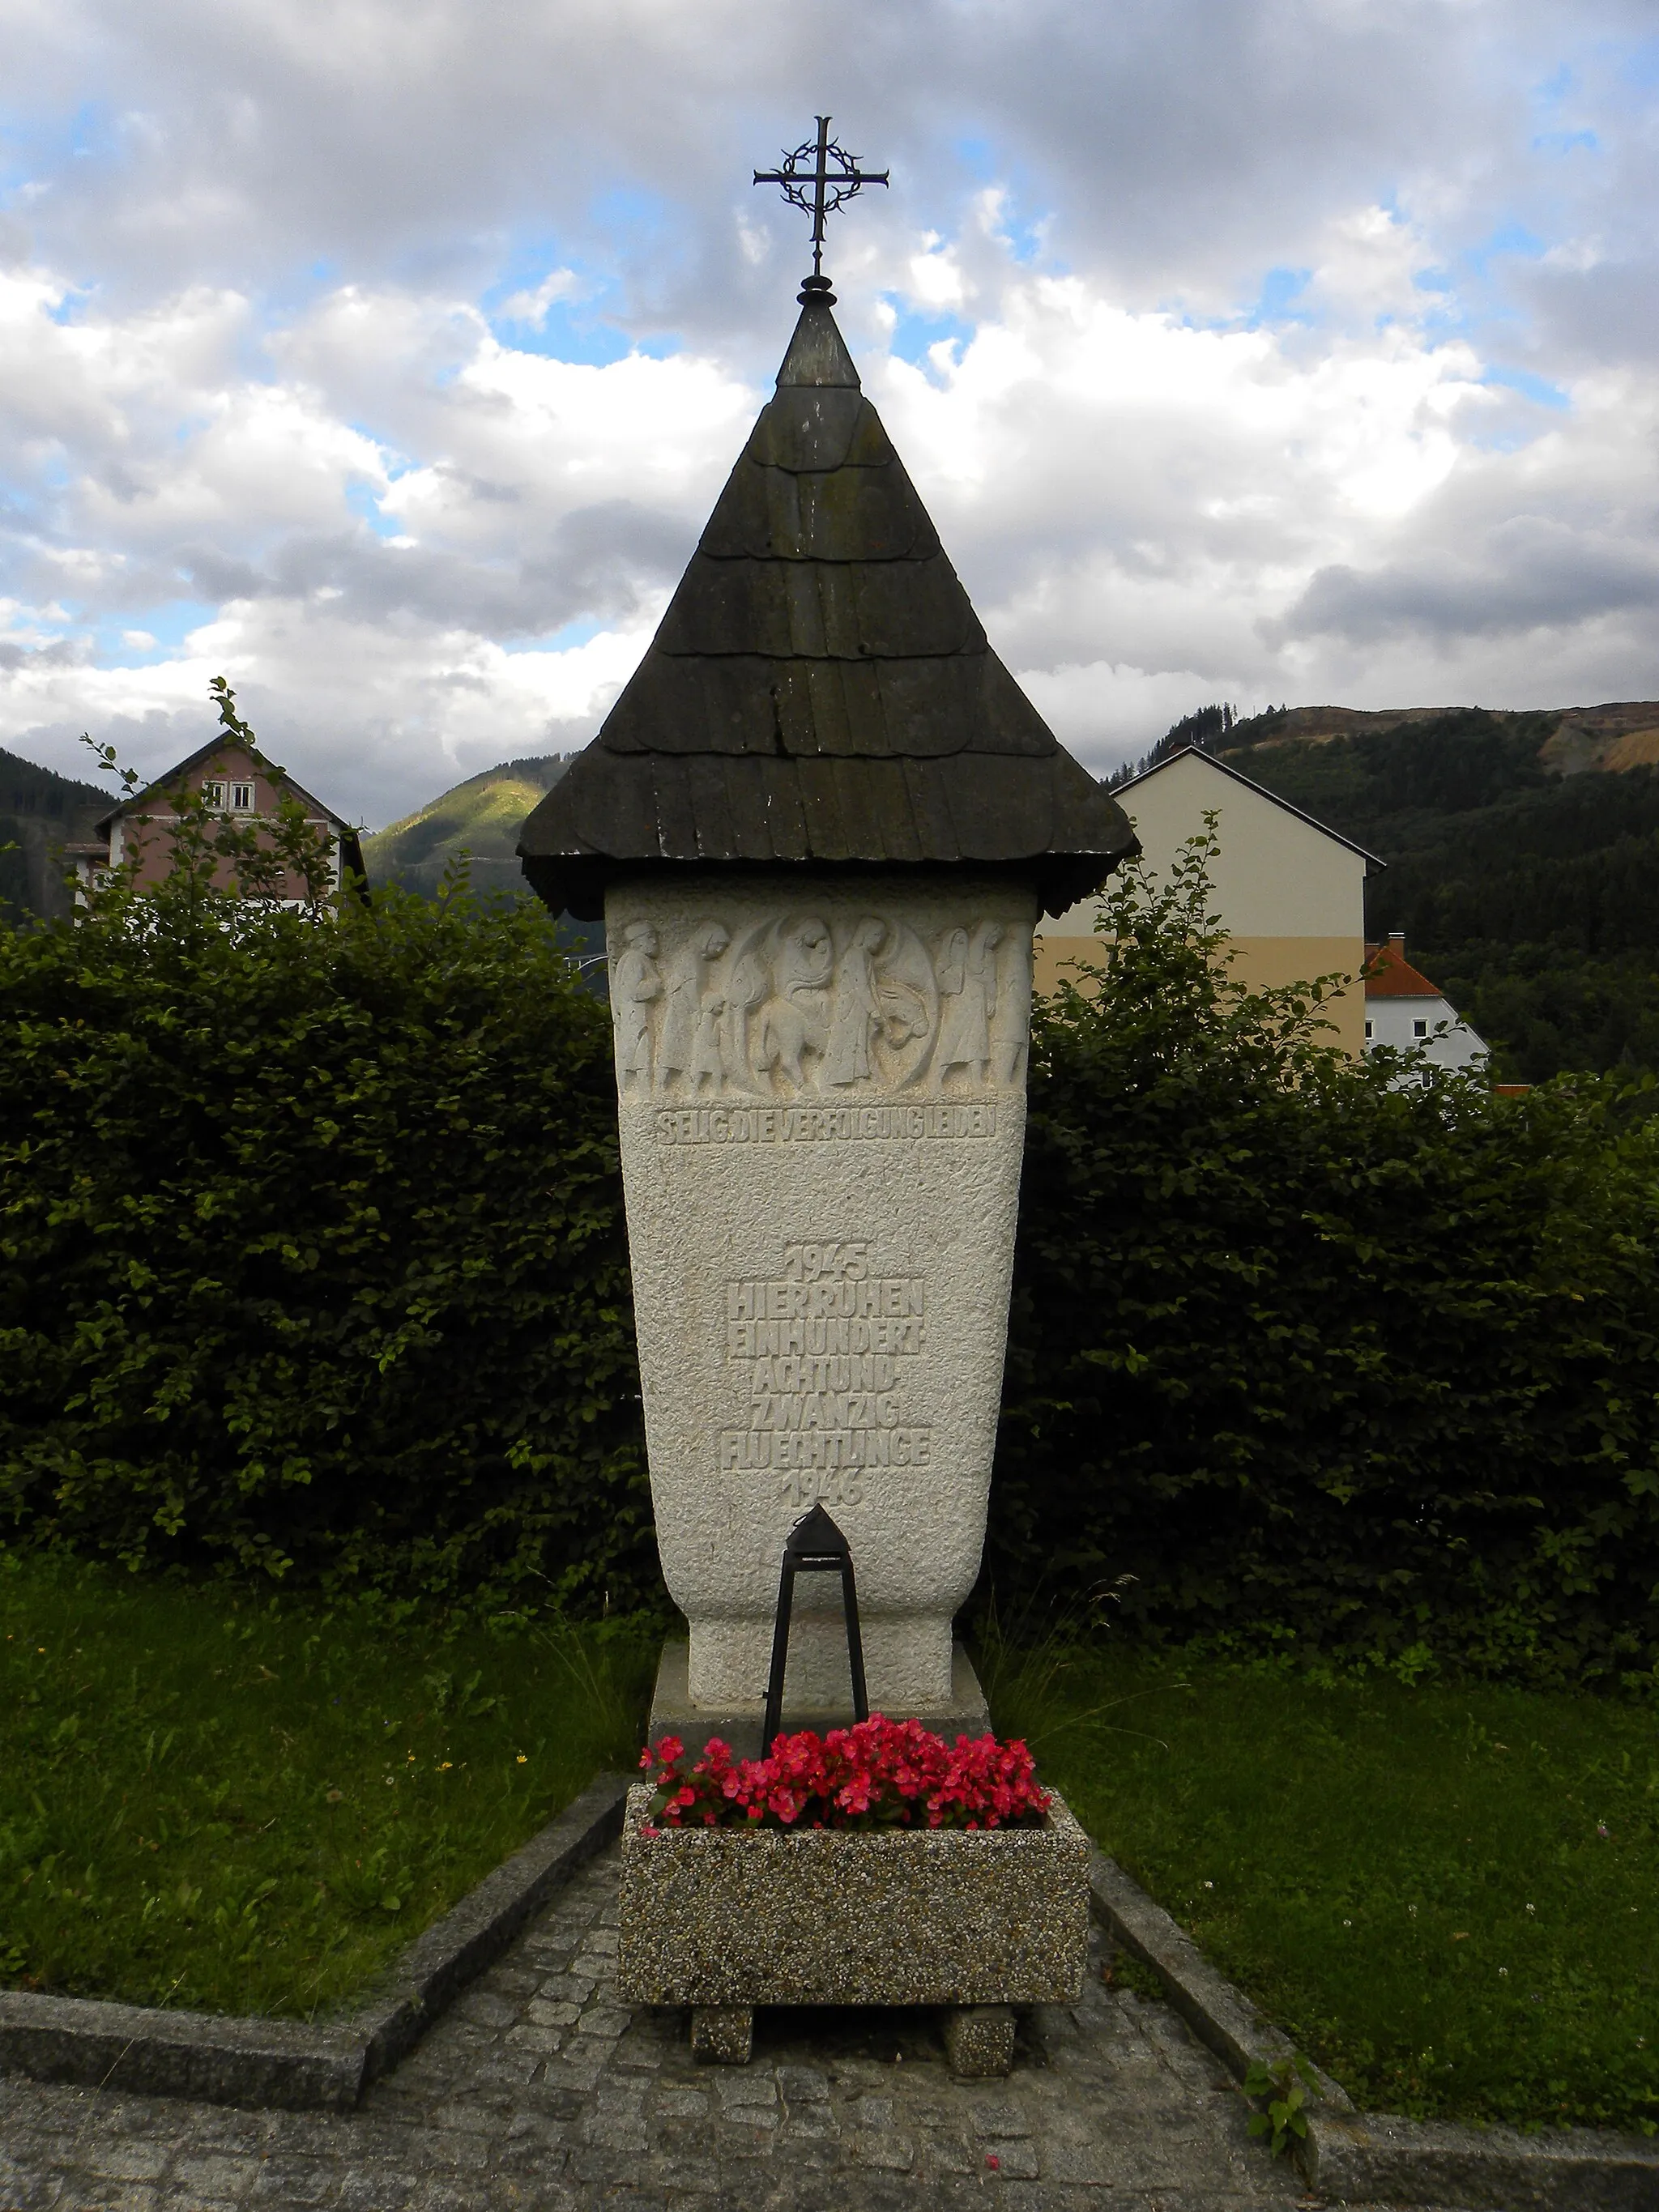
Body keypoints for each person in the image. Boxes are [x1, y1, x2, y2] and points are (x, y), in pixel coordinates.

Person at [823, 917, 887, 1086]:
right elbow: (861, 986)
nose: (879, 942)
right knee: (848, 1041)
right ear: (866, 934)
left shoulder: (865, 956)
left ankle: (860, 1077)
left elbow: (870, 986)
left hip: (859, 1007)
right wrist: (873, 1010)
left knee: (861, 1042)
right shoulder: (856, 954)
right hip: (852, 1006)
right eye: (877, 936)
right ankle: (837, 1080)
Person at [936, 920, 1001, 1082]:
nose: (994, 941)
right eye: (992, 937)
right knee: (949, 1040)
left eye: (996, 939)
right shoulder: (952, 958)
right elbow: (939, 980)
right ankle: (935, 1080)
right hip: (958, 1002)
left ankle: (976, 1081)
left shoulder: (986, 956)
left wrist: (991, 999)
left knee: (977, 1041)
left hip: (977, 1003)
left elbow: (990, 980)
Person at [612, 921, 662, 1088]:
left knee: (637, 1054)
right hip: (638, 1018)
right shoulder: (635, 958)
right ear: (638, 941)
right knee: (641, 1054)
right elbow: (635, 991)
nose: (655, 941)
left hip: (635, 1018)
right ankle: (643, 1092)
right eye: (650, 937)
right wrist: (657, 985)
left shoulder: (631, 959)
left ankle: (639, 1091)